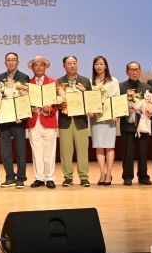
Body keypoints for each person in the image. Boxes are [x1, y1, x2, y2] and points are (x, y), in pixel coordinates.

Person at [0, 52, 29, 188]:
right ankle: (9, 176)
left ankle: (21, 178)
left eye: (13, 60)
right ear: (5, 62)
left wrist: (22, 115)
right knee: (5, 151)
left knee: (20, 150)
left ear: (18, 62)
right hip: (3, 118)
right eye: (8, 60)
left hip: (17, 120)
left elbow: (25, 98)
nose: (11, 62)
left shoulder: (24, 77)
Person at [57, 55, 93, 187]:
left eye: (74, 63)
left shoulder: (85, 81)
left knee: (82, 150)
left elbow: (91, 100)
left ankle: (84, 177)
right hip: (65, 120)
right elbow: (55, 101)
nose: (72, 65)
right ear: (64, 66)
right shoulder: (58, 82)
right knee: (66, 151)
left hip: (80, 120)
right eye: (69, 63)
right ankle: (68, 177)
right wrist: (60, 104)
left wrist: (85, 92)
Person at [26, 56, 59, 189]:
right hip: (34, 121)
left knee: (49, 151)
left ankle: (49, 177)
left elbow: (58, 102)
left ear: (45, 67)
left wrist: (49, 108)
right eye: (36, 65)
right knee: (36, 152)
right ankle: (39, 178)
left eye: (41, 65)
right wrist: (30, 108)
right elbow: (23, 103)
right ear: (32, 68)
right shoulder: (28, 84)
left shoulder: (53, 82)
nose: (39, 67)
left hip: (48, 121)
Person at [119, 62, 152, 185]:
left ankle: (143, 176)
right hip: (127, 124)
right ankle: (127, 176)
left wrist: (150, 111)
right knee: (128, 152)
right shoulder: (121, 87)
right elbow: (117, 105)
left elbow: (151, 105)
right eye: (132, 70)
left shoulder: (147, 87)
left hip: (142, 124)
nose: (134, 72)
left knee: (143, 152)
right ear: (127, 72)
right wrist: (126, 109)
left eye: (137, 69)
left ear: (140, 71)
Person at [90, 56, 119, 186]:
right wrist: (89, 111)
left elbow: (117, 98)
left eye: (101, 64)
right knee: (99, 146)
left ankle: (109, 173)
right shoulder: (91, 82)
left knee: (109, 146)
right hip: (96, 118)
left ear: (106, 66)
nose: (99, 66)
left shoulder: (113, 81)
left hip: (110, 118)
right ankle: (102, 173)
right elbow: (89, 100)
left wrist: (116, 114)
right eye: (96, 64)